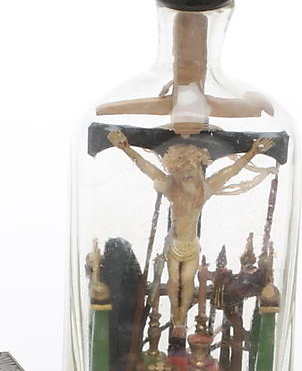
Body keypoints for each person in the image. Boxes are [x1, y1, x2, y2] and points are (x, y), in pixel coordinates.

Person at [106, 131, 274, 332]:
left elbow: (232, 170)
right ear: (174, 172)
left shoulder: (205, 189)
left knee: (187, 281)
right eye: (181, 173)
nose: (186, 177)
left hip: (191, 245)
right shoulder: (170, 187)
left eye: (191, 172)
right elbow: (146, 166)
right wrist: (125, 148)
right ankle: (175, 313)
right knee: (173, 281)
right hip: (174, 244)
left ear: (198, 169)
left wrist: (253, 152)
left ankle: (181, 317)